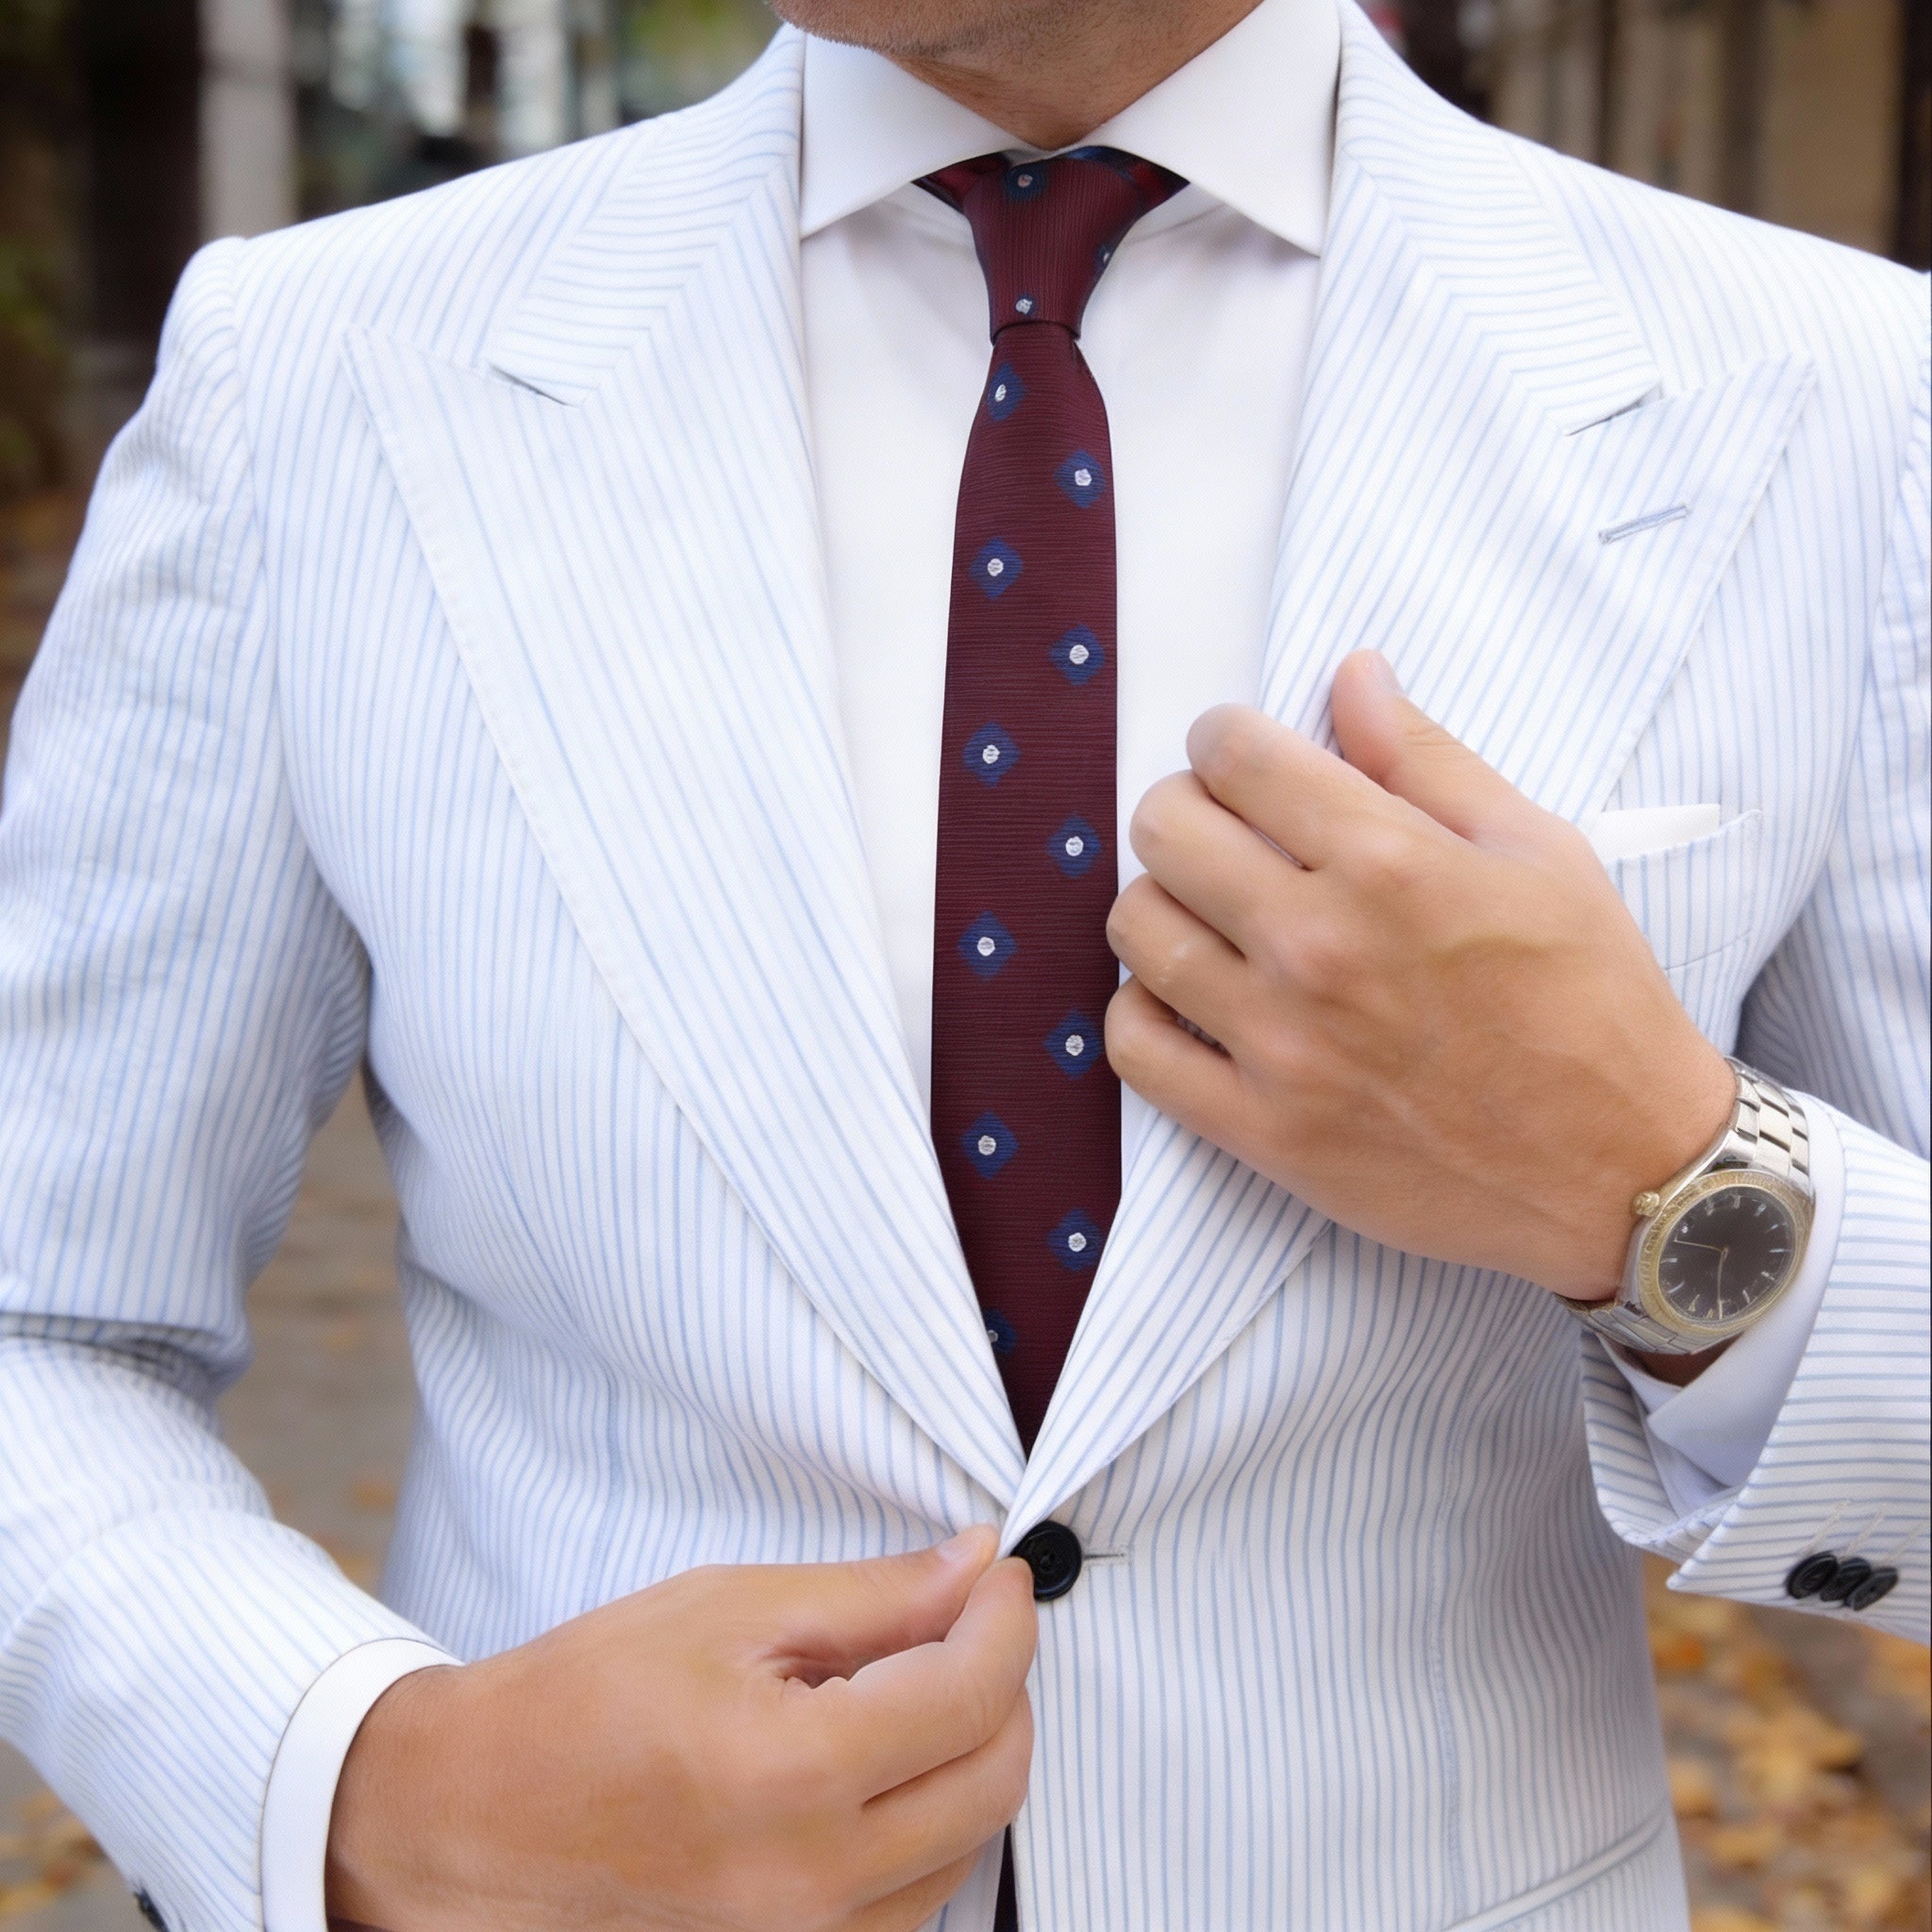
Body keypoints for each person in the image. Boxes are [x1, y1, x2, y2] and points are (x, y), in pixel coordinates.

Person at [0, 0, 1924, 1925]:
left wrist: (1665, 1185)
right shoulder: (313, 379)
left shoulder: (1839, 403)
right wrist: (354, 1780)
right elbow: (40, 1321)